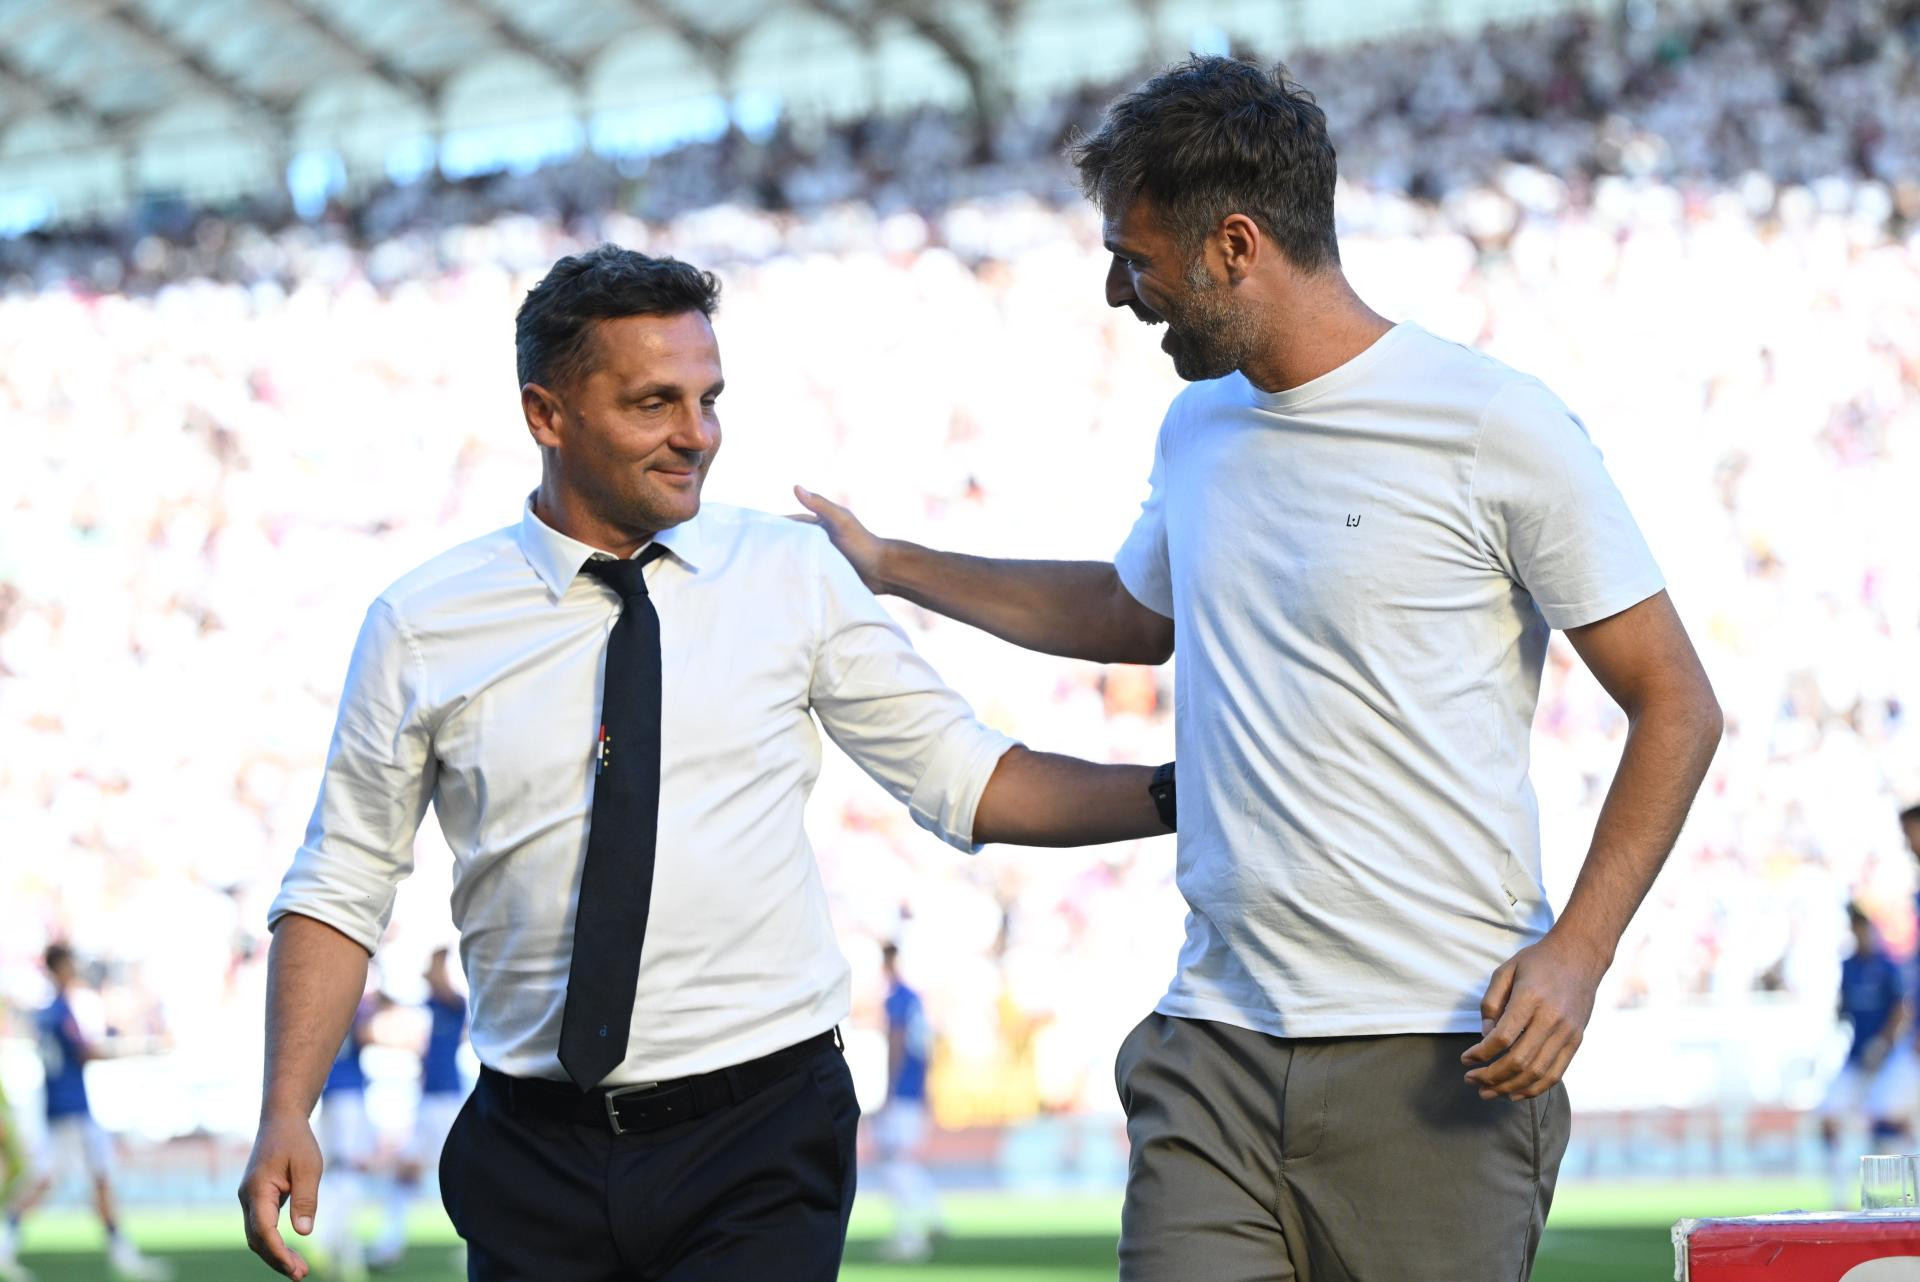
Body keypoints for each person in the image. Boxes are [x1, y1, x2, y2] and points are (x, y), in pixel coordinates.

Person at [796, 55, 1724, 1281]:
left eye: (1135, 259)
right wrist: (895, 564)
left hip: (1437, 1046)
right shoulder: (1200, 424)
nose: (1119, 292)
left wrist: (1581, 953)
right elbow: (1132, 613)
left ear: (1235, 245)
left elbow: (1677, 702)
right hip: (1214, 1041)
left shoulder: (1490, 422)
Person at [237, 244, 1174, 1282]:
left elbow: (972, 778)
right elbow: (342, 879)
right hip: (530, 1149)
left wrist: (1192, 790)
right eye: (655, 404)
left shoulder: (791, 572)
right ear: (546, 415)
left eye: (708, 399)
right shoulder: (422, 623)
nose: (698, 434)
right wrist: (286, 1107)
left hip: (760, 1135)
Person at [12, 946, 173, 1282]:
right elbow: (85, 1052)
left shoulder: (48, 1013)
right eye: (69, 963)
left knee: (82, 1178)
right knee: (80, 1178)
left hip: (61, 1107)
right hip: (72, 1109)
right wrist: (143, 1048)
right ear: (59, 967)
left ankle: (119, 1250)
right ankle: (119, 1252)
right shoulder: (60, 1011)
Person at [369, 949, 468, 1271]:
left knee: (465, 1175)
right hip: (428, 1103)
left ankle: (477, 1245)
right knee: (404, 1174)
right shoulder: (428, 1007)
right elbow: (391, 1004)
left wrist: (437, 962)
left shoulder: (454, 1005)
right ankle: (389, 1245)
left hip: (447, 1104)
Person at [1817, 904, 1910, 1208]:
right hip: (1857, 1058)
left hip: (1885, 1061)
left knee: (1888, 1121)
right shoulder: (1848, 966)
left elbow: (1901, 1009)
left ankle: (1900, 1196)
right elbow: (1843, 1009)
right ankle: (1839, 1197)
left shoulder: (1888, 966)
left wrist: (1883, 1043)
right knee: (1828, 1116)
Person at [874, 943, 943, 1264]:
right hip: (915, 1090)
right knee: (903, 1161)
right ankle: (935, 1217)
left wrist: (888, 1088)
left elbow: (898, 1041)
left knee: (895, 1163)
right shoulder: (916, 999)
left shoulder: (897, 999)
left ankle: (909, 1237)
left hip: (901, 1092)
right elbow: (926, 1049)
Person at [313, 992, 381, 1281]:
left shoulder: (318, 1001)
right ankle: (338, 1244)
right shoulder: (353, 999)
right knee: (347, 1171)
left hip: (324, 1092)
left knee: (333, 1171)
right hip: (346, 1093)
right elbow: (368, 1035)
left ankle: (330, 1242)